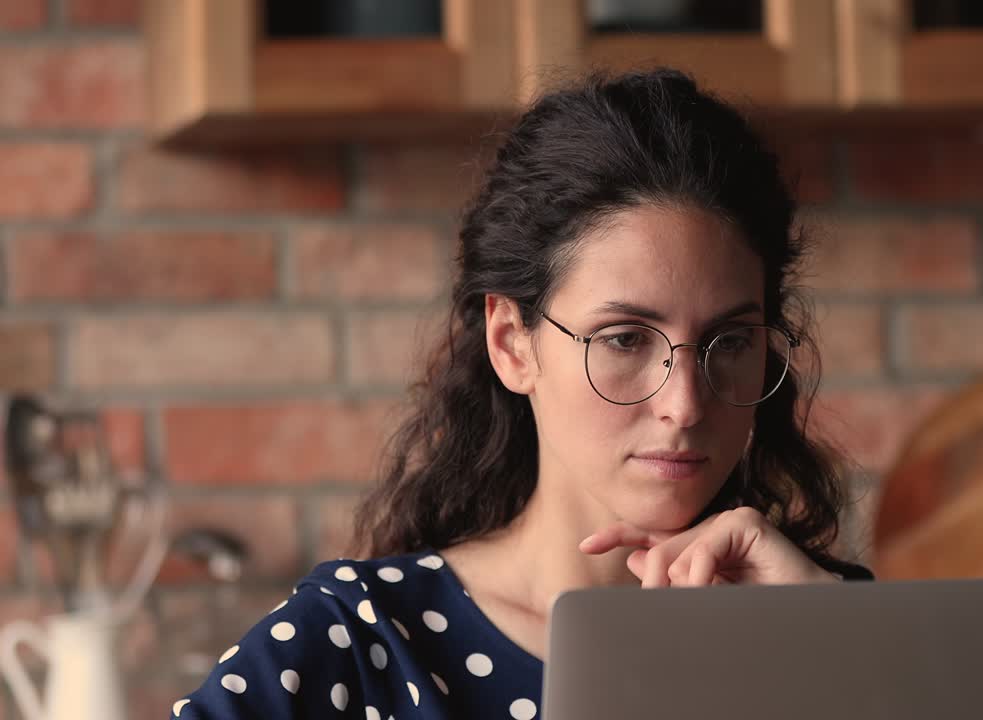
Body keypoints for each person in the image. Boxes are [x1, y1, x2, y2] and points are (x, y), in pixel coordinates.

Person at [169, 67, 871, 720]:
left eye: (730, 343)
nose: (685, 403)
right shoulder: (361, 645)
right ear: (512, 343)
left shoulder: (837, 624)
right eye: (625, 339)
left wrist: (828, 644)